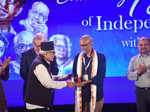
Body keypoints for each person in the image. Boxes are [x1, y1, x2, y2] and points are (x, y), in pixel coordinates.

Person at [25, 41, 74, 112]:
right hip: (37, 106)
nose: (54, 55)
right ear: (45, 54)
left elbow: (49, 77)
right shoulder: (39, 65)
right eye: (53, 52)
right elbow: (48, 83)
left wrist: (65, 76)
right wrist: (66, 83)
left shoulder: (43, 62)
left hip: (40, 105)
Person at [72, 35, 106, 112]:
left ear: (91, 44)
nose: (83, 48)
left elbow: (100, 77)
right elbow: (74, 73)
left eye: (85, 45)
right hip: (81, 94)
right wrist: (75, 80)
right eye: (81, 45)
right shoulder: (77, 57)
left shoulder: (100, 57)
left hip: (96, 95)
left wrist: (86, 82)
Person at [20, 33, 47, 105]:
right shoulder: (25, 55)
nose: (38, 48)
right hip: (30, 92)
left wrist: (52, 57)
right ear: (33, 43)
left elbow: (55, 71)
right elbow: (23, 73)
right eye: (36, 46)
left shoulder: (50, 54)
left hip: (46, 93)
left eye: (41, 46)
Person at [127, 37, 150, 112]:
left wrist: (146, 70)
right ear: (138, 46)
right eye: (141, 45)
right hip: (140, 92)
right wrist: (137, 72)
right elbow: (128, 75)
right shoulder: (134, 59)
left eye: (145, 44)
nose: (143, 47)